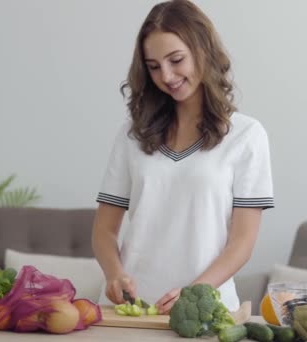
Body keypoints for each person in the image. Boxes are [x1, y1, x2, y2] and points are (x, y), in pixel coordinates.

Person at [91, 0, 274, 314]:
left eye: (176, 60)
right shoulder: (132, 135)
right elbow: (104, 230)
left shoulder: (246, 135)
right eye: (153, 66)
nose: (167, 75)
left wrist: (194, 293)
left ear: (202, 50)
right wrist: (114, 273)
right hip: (130, 311)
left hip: (206, 309)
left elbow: (242, 242)